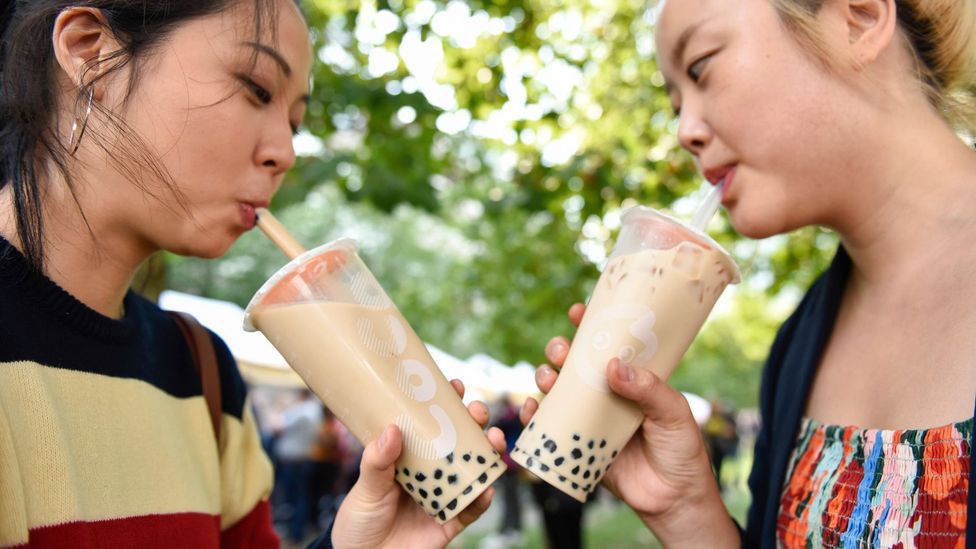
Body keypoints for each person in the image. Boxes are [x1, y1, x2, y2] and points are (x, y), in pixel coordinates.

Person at [0, 2, 503, 547]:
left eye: (294, 123)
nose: (285, 153)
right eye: (257, 89)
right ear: (88, 49)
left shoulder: (200, 371)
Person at [524, 0, 976, 547]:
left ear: (858, 17)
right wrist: (686, 510)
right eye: (675, 105)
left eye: (701, 67)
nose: (685, 131)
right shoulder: (796, 346)